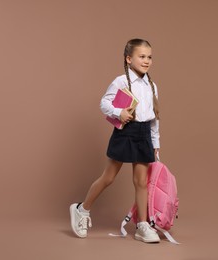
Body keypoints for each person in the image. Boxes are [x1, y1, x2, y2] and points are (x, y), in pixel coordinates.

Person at [70, 38, 161, 243]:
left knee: (141, 182)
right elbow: (104, 103)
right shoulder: (121, 81)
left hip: (144, 133)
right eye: (142, 56)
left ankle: (142, 226)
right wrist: (119, 112)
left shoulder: (152, 86)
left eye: (149, 57)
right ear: (129, 59)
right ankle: (81, 210)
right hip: (126, 132)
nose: (146, 61)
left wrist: (156, 143)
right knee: (108, 177)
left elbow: (155, 118)